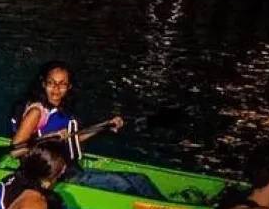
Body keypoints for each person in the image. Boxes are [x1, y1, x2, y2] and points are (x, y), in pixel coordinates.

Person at [9, 62, 163, 199]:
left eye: (62, 84)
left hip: (69, 168)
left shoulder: (63, 109)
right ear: (43, 84)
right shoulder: (36, 112)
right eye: (51, 83)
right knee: (119, 183)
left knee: (140, 179)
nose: (56, 89)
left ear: (69, 87)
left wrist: (105, 125)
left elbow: (74, 138)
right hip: (52, 175)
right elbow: (15, 151)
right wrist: (50, 137)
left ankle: (165, 206)